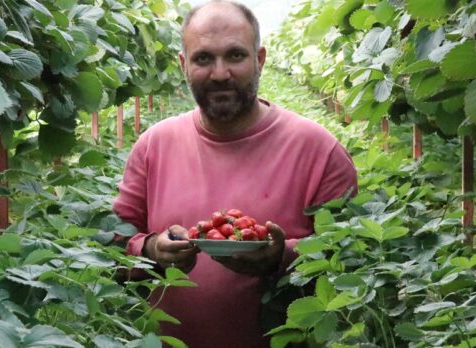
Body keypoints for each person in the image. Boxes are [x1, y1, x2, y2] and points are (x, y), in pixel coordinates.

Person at [112, 1, 358, 346]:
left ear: (260, 59)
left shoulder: (319, 150)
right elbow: (112, 243)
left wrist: (283, 257)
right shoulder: (154, 145)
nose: (220, 73)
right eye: (203, 58)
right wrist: (150, 250)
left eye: (235, 56)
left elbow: (353, 258)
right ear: (184, 65)